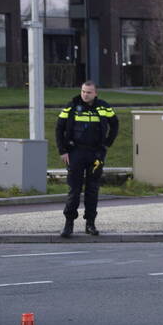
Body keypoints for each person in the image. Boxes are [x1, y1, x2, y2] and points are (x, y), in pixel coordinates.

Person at [55, 81, 119, 238]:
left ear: (95, 93)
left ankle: (90, 223)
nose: (85, 94)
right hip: (76, 152)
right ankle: (68, 224)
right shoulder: (71, 106)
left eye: (89, 92)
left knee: (92, 189)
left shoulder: (103, 107)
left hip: (96, 154)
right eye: (83, 91)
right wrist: (63, 150)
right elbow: (59, 128)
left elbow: (115, 123)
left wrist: (107, 143)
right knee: (74, 190)